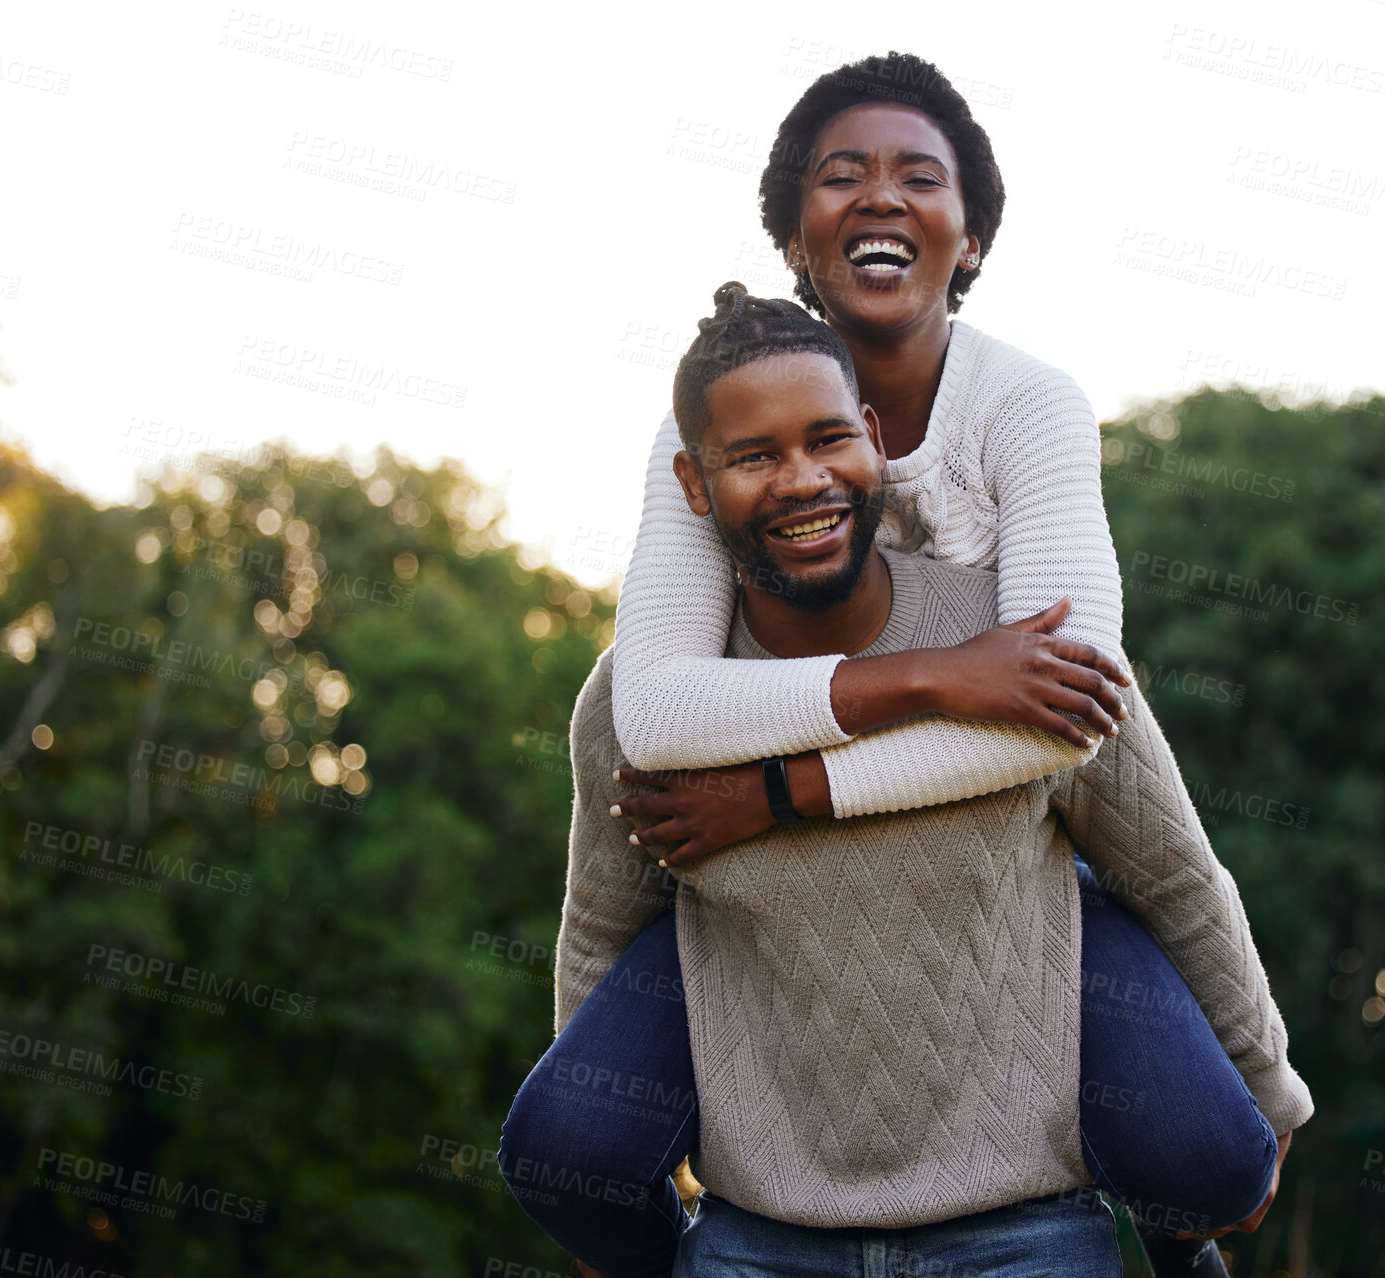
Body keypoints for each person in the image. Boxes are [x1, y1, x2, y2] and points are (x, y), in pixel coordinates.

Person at [514, 49, 1278, 1277]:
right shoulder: (704, 420)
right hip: (782, 868)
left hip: (990, 863)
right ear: (793, 238)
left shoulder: (1023, 406)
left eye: (917, 176)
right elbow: (650, 707)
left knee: (1209, 1148)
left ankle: (1175, 1231)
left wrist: (777, 791)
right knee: (569, 1132)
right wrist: (926, 677)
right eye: (840, 176)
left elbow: (1066, 708)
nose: (878, 194)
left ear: (969, 239)